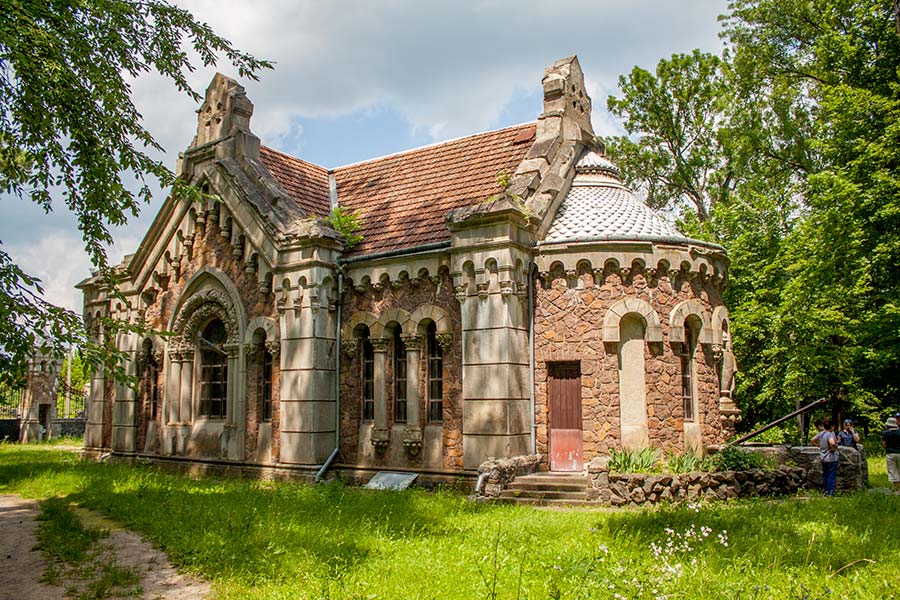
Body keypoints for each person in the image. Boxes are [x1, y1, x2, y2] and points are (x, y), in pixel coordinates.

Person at [817, 418, 839, 496]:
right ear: (832, 426)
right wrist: (833, 449)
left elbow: (812, 440)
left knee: (825, 475)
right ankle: (830, 492)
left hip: (823, 457)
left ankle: (825, 491)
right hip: (831, 458)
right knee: (831, 476)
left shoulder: (821, 433)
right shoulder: (830, 434)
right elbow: (832, 443)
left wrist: (819, 446)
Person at [882, 417, 900, 493]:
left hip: (890, 453)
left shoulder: (885, 433)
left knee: (893, 471)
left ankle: (897, 490)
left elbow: (884, 444)